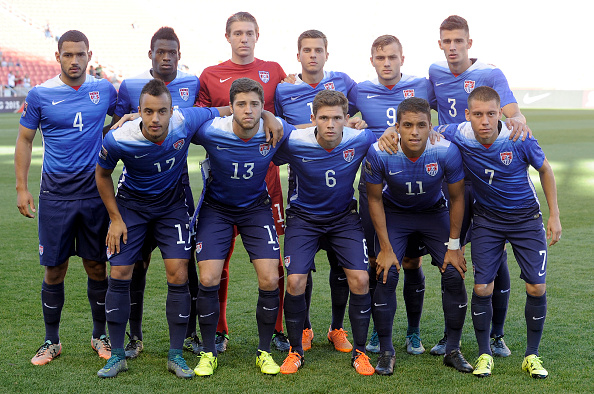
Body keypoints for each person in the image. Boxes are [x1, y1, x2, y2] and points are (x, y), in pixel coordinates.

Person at [95, 79, 227, 378]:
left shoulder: (185, 120)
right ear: (138, 111)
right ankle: (117, 355)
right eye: (149, 111)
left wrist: (269, 116)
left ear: (172, 111)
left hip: (171, 207)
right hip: (131, 206)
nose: (155, 119)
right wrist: (115, 219)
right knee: (120, 272)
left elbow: (226, 110)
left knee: (178, 271)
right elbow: (102, 175)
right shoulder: (119, 138)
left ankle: (176, 355)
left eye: (162, 111)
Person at [436, 86, 561, 378]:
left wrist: (554, 214)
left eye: (491, 113)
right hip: (487, 220)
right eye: (477, 114)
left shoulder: (519, 138)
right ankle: (484, 355)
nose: (484, 121)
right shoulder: (459, 133)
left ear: (499, 114)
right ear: (468, 115)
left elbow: (545, 169)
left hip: (526, 219)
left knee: (536, 287)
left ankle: (532, 355)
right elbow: (425, 125)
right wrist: (424, 132)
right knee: (482, 288)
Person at [427, 15, 530, 357]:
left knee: (495, 258)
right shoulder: (434, 74)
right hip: (451, 178)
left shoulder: (489, 74)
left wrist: (517, 118)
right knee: (450, 254)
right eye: (447, 41)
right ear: (440, 44)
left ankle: (497, 336)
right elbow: (419, 108)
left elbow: (513, 113)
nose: (453, 46)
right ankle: (449, 335)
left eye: (458, 41)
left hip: (486, 181)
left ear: (469, 43)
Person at [15, 30, 117, 365]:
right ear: (57, 56)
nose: (74, 61)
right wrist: (21, 187)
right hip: (55, 195)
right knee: (54, 269)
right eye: (68, 55)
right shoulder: (41, 94)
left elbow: (122, 121)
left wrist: (111, 132)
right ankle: (51, 340)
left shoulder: (103, 90)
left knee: (95, 266)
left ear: (90, 55)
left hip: (94, 194)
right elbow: (25, 140)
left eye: (80, 55)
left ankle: (99, 335)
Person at [197, 11, 289, 352]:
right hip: (223, 182)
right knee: (218, 260)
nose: (244, 38)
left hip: (265, 183)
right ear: (228, 37)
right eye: (237, 33)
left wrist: (266, 112)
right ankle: (218, 330)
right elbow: (201, 119)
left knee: (272, 261)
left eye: (249, 32)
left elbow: (283, 117)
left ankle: (278, 329)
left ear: (257, 35)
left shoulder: (275, 71)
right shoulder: (210, 75)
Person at [112, 26, 203, 359]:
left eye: (172, 53)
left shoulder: (193, 84)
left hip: (177, 189)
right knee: (136, 263)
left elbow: (206, 118)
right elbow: (117, 127)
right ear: (150, 54)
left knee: (183, 263)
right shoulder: (130, 86)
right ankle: (134, 336)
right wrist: (134, 117)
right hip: (138, 187)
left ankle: (189, 334)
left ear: (180, 55)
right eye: (160, 52)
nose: (166, 58)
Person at [192, 78, 294, 377]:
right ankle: (209, 352)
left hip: (255, 210)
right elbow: (177, 122)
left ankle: (264, 351)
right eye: (241, 104)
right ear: (231, 106)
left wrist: (271, 118)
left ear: (263, 107)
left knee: (270, 279)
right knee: (209, 278)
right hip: (217, 210)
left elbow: (307, 132)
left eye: (255, 105)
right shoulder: (210, 130)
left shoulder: (275, 128)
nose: (248, 110)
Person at [273, 90, 376, 375]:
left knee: (360, 279)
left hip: (343, 219)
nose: (330, 124)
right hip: (303, 219)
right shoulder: (295, 141)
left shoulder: (361, 139)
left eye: (336, 118)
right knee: (295, 281)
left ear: (346, 119)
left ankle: (359, 352)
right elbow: (269, 142)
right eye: (324, 118)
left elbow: (389, 138)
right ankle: (296, 351)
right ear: (313, 119)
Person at [366, 97, 472, 375]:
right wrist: (386, 248)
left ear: (430, 127)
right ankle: (387, 352)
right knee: (386, 272)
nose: (415, 131)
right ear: (397, 127)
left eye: (421, 125)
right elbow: (374, 200)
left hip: (433, 213)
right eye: (408, 125)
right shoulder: (379, 152)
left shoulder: (445, 151)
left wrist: (453, 245)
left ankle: (453, 348)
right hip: (395, 214)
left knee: (453, 271)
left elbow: (457, 196)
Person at [274, 29, 363, 354]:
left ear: (327, 53)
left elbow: (360, 110)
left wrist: (352, 123)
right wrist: (307, 130)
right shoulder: (284, 88)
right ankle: (306, 328)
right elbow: (274, 126)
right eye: (306, 50)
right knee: (302, 268)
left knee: (343, 268)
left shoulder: (345, 81)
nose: (313, 55)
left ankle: (337, 329)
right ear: (298, 55)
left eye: (318, 50)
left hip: (340, 199)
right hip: (303, 189)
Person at [354, 34, 434, 355]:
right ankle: (378, 327)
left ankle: (413, 332)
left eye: (392, 57)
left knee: (412, 261)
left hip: (414, 188)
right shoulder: (357, 90)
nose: (386, 63)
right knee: (376, 260)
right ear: (372, 60)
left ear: (403, 59)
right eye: (380, 58)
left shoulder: (425, 87)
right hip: (373, 186)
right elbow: (335, 111)